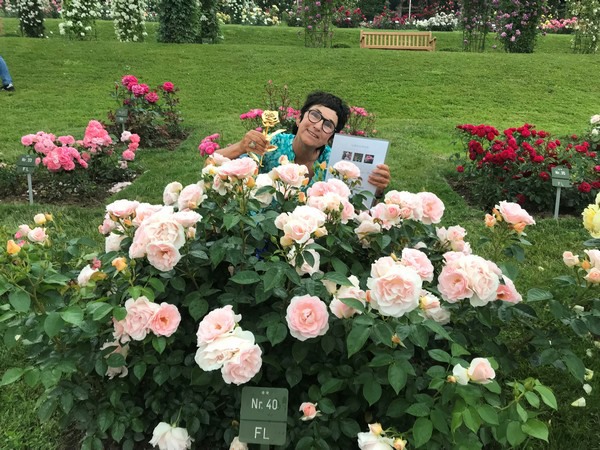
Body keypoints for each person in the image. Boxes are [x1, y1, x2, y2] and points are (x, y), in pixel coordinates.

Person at [217, 91, 391, 196]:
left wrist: (375, 188)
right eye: (314, 115)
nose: (318, 126)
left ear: (331, 137)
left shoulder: (334, 166)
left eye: (328, 125)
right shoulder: (272, 144)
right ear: (299, 119)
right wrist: (240, 147)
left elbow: (356, 208)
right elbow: (212, 167)